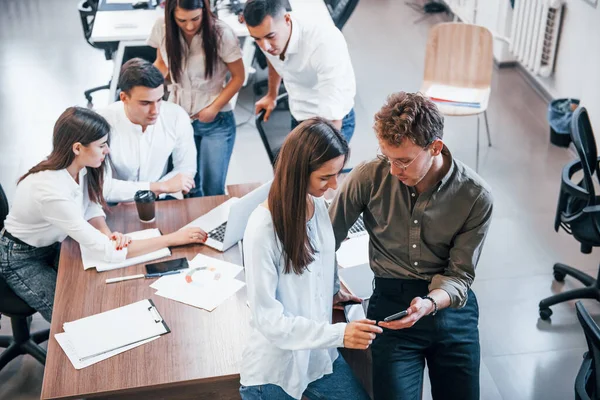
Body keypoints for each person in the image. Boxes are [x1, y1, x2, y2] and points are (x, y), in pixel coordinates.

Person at [329, 92, 494, 400]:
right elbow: (325, 239)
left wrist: (430, 303)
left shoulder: (475, 196)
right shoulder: (368, 177)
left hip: (450, 308)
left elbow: (459, 276)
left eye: (403, 161)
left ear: (435, 147)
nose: (393, 170)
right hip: (392, 304)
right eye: (388, 158)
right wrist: (330, 284)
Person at [0, 107, 207, 322]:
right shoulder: (51, 191)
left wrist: (106, 233)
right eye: (101, 145)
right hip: (21, 257)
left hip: (53, 242)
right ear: (78, 148)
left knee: (95, 293)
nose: (107, 150)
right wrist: (174, 238)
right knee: (70, 318)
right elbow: (107, 253)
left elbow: (90, 205)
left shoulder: (79, 167)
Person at [240, 118, 381, 400]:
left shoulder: (316, 205)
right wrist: (340, 335)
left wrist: (334, 291)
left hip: (319, 358)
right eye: (325, 177)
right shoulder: (262, 230)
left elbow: (324, 257)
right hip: (275, 372)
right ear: (298, 173)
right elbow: (270, 322)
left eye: (338, 174)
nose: (333, 185)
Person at [148, 0, 245, 197]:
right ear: (171, 14)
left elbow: (239, 77)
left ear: (205, 10)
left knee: (212, 190)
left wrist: (214, 108)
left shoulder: (221, 33)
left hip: (215, 120)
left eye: (196, 18)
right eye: (182, 20)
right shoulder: (162, 27)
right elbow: (161, 64)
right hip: (179, 118)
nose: (190, 26)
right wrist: (147, 86)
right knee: (190, 188)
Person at [243, 0, 357, 143]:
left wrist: (325, 155)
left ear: (286, 20)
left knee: (315, 165)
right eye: (257, 39)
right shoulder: (268, 36)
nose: (265, 47)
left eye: (270, 37)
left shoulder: (324, 44)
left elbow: (333, 117)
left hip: (331, 120)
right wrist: (272, 94)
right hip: (299, 112)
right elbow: (274, 60)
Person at [99, 58, 197, 203]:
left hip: (158, 198)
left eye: (159, 100)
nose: (155, 111)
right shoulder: (103, 122)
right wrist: (160, 186)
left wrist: (157, 190)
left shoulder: (176, 116)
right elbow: (103, 187)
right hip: (115, 203)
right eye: (145, 103)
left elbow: (186, 170)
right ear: (124, 98)